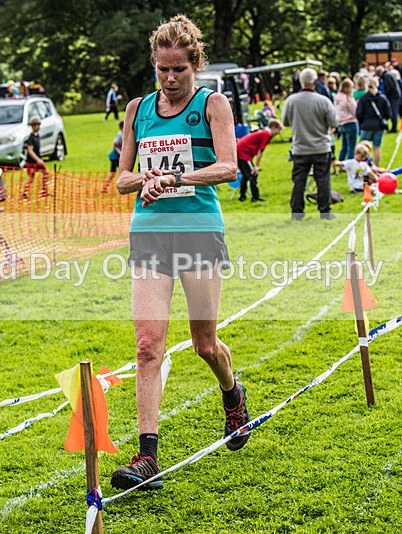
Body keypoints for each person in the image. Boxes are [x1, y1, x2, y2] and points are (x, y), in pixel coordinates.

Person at [110, 14, 247, 491]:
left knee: (205, 342)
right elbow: (122, 179)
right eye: (162, 70)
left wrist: (176, 177)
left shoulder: (213, 104)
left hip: (198, 231)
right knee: (148, 346)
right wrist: (144, 180)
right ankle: (148, 457)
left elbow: (229, 167)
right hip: (149, 233)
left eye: (179, 71)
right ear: (154, 65)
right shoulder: (137, 109)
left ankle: (232, 394)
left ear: (195, 66)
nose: (169, 80)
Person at [283, 67, 339, 220]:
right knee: (323, 180)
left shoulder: (291, 101)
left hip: (300, 147)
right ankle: (325, 211)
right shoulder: (323, 101)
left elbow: (285, 122)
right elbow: (334, 122)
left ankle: (297, 213)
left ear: (300, 81)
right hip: (321, 147)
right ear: (315, 82)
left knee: (299, 181)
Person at [235, 118, 282, 202]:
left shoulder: (262, 132)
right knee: (253, 174)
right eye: (278, 130)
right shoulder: (266, 134)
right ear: (274, 127)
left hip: (239, 150)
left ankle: (242, 196)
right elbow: (260, 151)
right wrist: (256, 166)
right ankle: (255, 197)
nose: (278, 133)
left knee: (246, 176)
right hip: (243, 152)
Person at [356, 77, 390, 167]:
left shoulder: (363, 99)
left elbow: (359, 113)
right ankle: (376, 166)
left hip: (367, 125)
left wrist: (362, 122)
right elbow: (388, 113)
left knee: (363, 148)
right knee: (377, 147)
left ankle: (363, 166)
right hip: (379, 125)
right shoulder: (382, 98)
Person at [22, 117, 49, 198]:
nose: (38, 127)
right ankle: (25, 192)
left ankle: (44, 191)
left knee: (46, 173)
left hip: (38, 160)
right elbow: (30, 151)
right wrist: (37, 160)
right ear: (32, 126)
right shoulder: (30, 138)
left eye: (39, 125)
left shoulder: (37, 136)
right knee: (31, 178)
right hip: (31, 162)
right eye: (36, 125)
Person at [334, 79, 359, 163]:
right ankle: (350, 163)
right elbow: (354, 111)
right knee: (351, 146)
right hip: (350, 122)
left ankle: (341, 162)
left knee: (344, 146)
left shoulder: (337, 97)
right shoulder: (348, 98)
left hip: (341, 122)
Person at [102, 120, 125, 193]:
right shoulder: (119, 135)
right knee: (125, 171)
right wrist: (121, 154)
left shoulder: (124, 134)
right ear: (122, 127)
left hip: (117, 157)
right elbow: (115, 146)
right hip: (115, 157)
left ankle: (104, 187)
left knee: (113, 173)